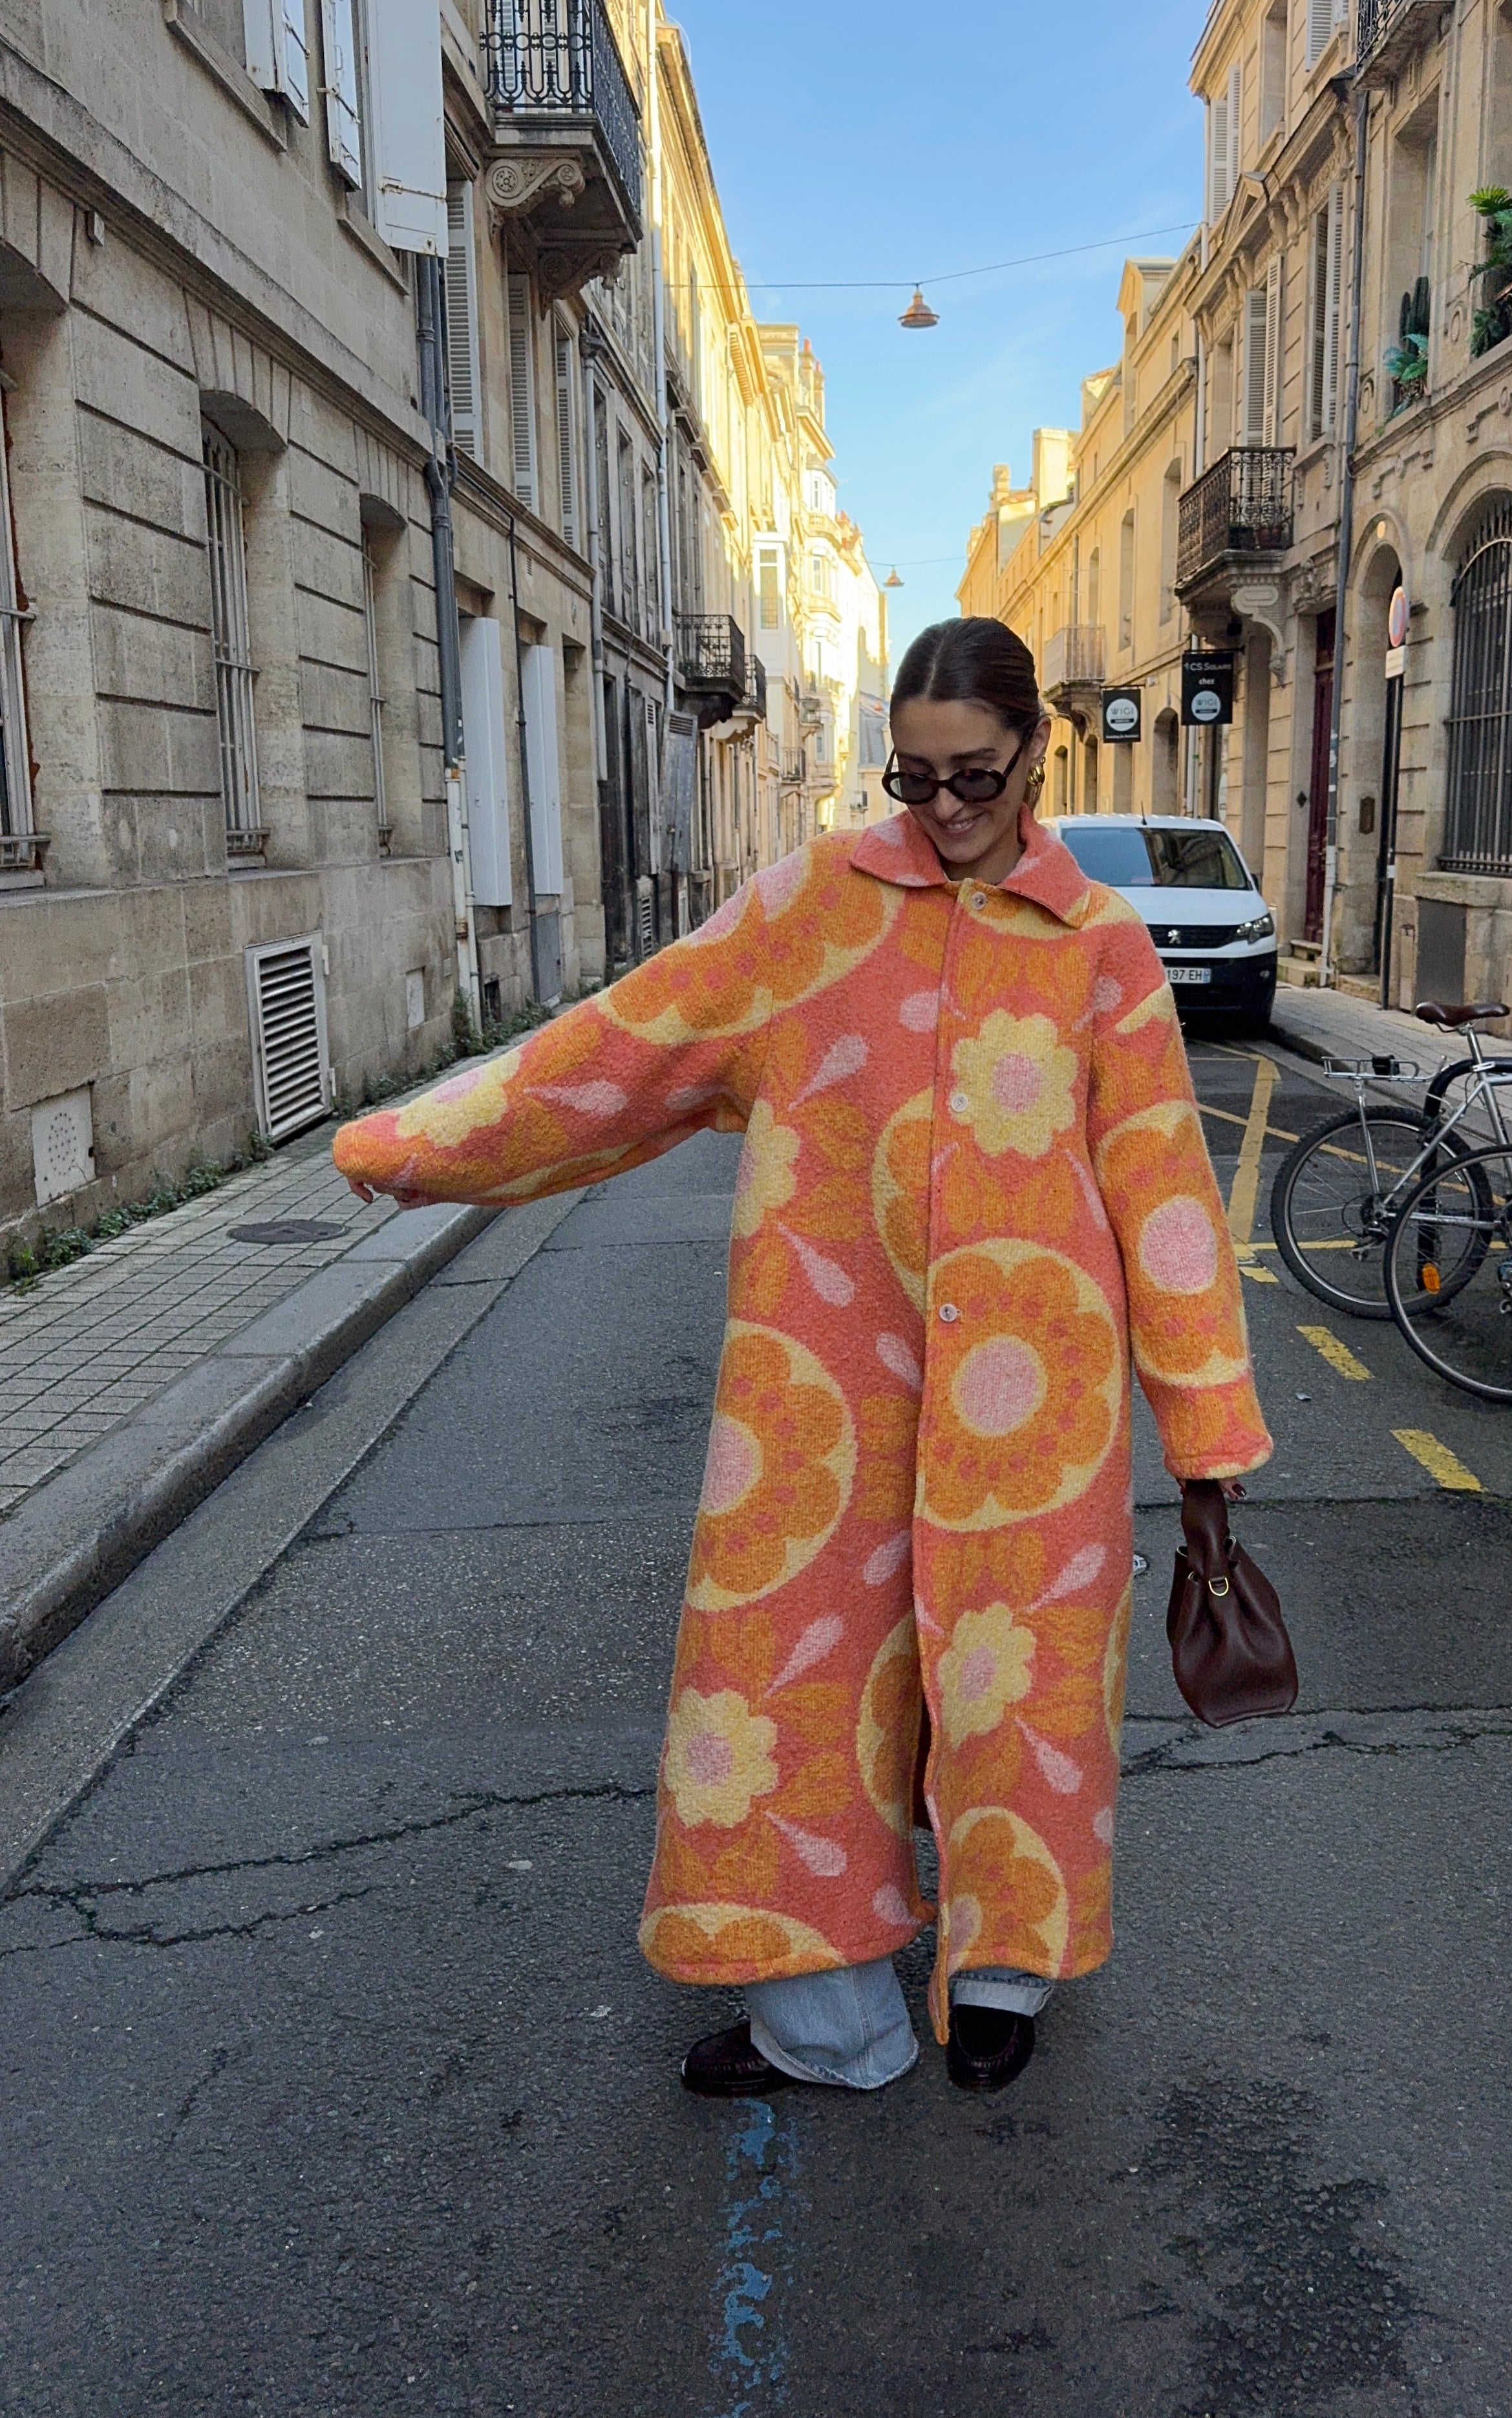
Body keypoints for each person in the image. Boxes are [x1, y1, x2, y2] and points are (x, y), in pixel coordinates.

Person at [334, 617, 1271, 2097]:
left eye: (974, 776)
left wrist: (1205, 1433)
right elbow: (618, 1050)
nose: (944, 807)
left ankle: (1002, 1970)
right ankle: (825, 2020)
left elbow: (1163, 1198)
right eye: (913, 778)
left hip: (1039, 1408)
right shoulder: (807, 909)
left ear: (1035, 754)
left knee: (1020, 1691)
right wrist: (414, 1146)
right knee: (786, 1693)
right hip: (818, 1390)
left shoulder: (1100, 946)